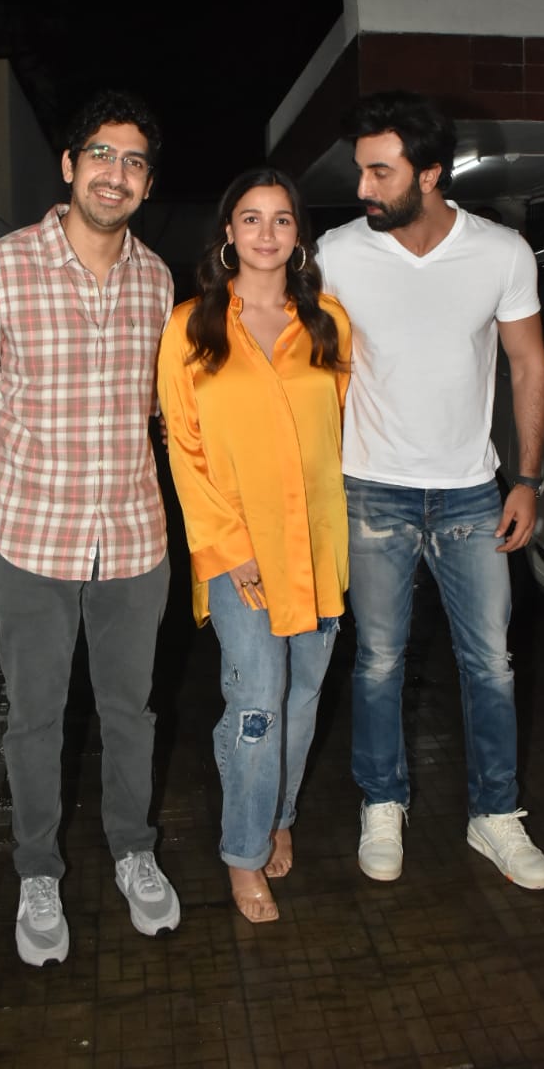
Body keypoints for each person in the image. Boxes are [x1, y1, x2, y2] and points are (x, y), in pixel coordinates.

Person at [0, 89, 180, 966]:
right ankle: (37, 872)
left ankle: (133, 853)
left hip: (132, 540)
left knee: (130, 712)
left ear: (147, 183)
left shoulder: (158, 280)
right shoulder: (2, 269)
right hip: (30, 539)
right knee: (35, 718)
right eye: (101, 155)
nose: (114, 174)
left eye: (133, 161)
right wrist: (27, 497)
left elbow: (161, 411)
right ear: (69, 165)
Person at [317, 90, 544, 891]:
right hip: (371, 490)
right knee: (378, 661)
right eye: (360, 171)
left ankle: (494, 815)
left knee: (489, 663)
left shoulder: (500, 253)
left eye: (378, 172)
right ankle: (381, 800)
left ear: (429, 173)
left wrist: (525, 478)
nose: (362, 188)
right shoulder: (338, 253)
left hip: (469, 492)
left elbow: (527, 363)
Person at [157, 167, 351, 923]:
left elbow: (344, 433)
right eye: (250, 218)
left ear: (297, 235)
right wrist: (229, 548)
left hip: (319, 547)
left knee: (301, 703)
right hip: (237, 555)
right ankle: (242, 854)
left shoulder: (328, 320)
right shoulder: (191, 325)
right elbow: (184, 449)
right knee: (256, 705)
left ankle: (279, 814)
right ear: (226, 233)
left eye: (280, 219)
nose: (265, 233)